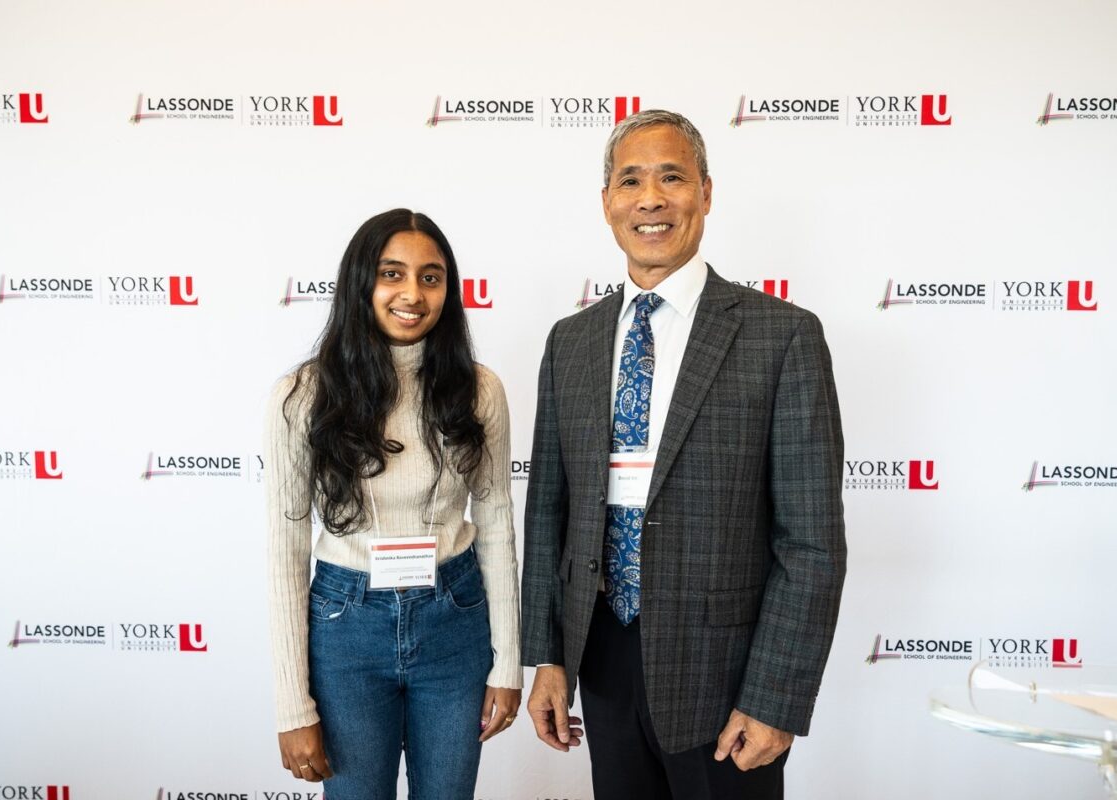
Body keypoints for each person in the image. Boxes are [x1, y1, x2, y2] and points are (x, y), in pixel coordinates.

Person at [521, 110, 846, 799]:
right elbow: (549, 510)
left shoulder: (780, 337)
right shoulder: (570, 342)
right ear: (607, 200)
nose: (651, 199)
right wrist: (547, 657)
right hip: (603, 659)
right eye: (630, 181)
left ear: (705, 191)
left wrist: (775, 697)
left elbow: (811, 541)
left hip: (725, 680)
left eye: (672, 178)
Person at [265, 208, 522, 799]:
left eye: (431, 277)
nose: (412, 293)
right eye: (392, 274)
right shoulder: (302, 398)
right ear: (362, 284)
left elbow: (498, 524)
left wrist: (508, 662)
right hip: (345, 628)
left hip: (454, 623)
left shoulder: (481, 391)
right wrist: (291, 706)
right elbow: (285, 553)